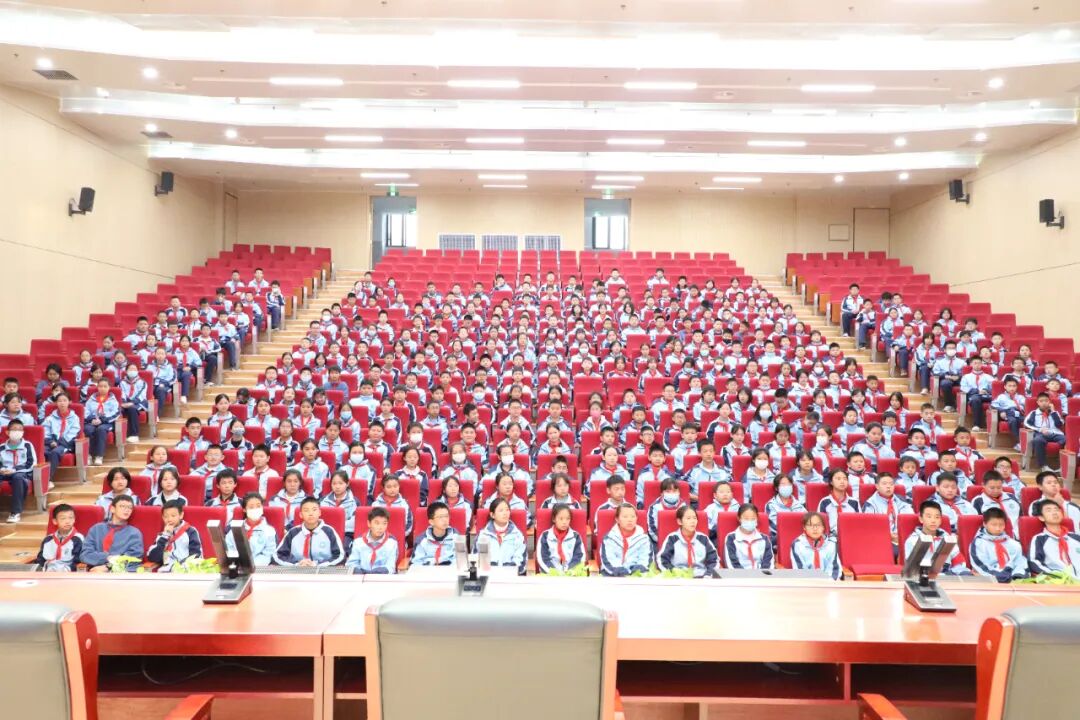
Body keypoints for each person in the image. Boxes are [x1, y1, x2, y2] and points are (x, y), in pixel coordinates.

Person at [902, 501, 970, 576]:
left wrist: (956, 573)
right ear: (921, 519)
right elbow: (913, 569)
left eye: (937, 517)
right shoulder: (912, 540)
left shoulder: (948, 538)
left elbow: (958, 562)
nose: (933, 521)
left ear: (940, 520)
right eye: (929, 517)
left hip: (949, 577)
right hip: (924, 578)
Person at [274, 497, 345, 567]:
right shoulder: (293, 532)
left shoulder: (329, 531)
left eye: (314, 510)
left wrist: (317, 565)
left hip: (323, 570)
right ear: (301, 515)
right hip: (297, 570)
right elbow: (278, 555)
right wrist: (296, 564)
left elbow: (340, 556)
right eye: (306, 510)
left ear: (319, 513)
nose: (311, 513)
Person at [80, 496, 145, 572]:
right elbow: (85, 555)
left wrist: (109, 566)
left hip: (123, 573)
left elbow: (134, 558)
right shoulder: (96, 529)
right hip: (96, 571)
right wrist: (107, 557)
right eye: (122, 506)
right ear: (112, 509)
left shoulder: (134, 533)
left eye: (130, 508)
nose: (127, 510)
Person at [657, 505, 719, 577]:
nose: (692, 521)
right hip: (678, 577)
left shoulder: (703, 539)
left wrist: (707, 576)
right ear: (680, 521)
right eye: (688, 518)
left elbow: (714, 560)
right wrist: (673, 574)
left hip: (701, 577)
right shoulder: (672, 539)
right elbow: (662, 559)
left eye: (694, 518)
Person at [967, 508, 1027, 583]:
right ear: (985, 524)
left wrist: (1017, 576)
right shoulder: (978, 543)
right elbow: (981, 566)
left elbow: (1020, 563)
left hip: (1012, 580)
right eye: (994, 525)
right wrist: (1002, 577)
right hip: (990, 580)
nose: (998, 528)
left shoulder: (1014, 544)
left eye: (1001, 525)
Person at [861, 473, 913, 549]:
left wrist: (902, 534)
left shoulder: (901, 500)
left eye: (891, 484)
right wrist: (888, 535)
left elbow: (910, 519)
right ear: (877, 486)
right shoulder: (870, 504)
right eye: (884, 484)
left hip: (903, 538)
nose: (888, 486)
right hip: (881, 539)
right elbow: (869, 527)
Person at [477, 498, 527, 575]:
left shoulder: (518, 535)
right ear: (492, 515)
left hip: (511, 576)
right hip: (488, 575)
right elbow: (476, 558)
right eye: (501, 510)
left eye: (507, 510)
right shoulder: (483, 535)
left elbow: (521, 561)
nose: (505, 513)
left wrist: (507, 571)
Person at [1029, 499, 1080, 576]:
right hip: (1060, 580)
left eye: (1056, 510)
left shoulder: (1076, 537)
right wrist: (1055, 575)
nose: (1054, 513)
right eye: (1048, 510)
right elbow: (1034, 563)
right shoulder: (1039, 539)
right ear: (1041, 517)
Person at [600, 503, 652, 576]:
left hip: (637, 576)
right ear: (617, 519)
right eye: (625, 517)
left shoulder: (644, 539)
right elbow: (608, 561)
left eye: (633, 517)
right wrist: (622, 573)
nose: (630, 520)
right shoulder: (609, 538)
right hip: (612, 575)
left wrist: (636, 572)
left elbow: (645, 560)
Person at [147, 500, 202, 570]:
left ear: (181, 515)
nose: (169, 519)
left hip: (185, 570)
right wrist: (165, 536)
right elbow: (152, 557)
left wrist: (178, 567)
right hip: (165, 571)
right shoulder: (162, 535)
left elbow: (196, 555)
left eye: (173, 516)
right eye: (166, 516)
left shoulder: (191, 531)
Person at [226, 493, 278, 566]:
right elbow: (229, 548)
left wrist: (251, 565)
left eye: (258, 506)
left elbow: (268, 554)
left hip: (260, 568)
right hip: (237, 567)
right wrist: (238, 564)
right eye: (251, 507)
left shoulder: (270, 531)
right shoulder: (235, 528)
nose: (255, 509)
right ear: (244, 509)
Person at [0, 419, 35, 523]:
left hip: (22, 472)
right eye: (14, 429)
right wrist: (2, 469)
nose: (17, 432)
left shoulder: (27, 445)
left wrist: (14, 470)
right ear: (7, 432)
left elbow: (31, 463)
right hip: (4, 472)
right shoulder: (1, 447)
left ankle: (15, 512)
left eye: (20, 430)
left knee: (18, 477)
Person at [346, 507, 400, 574]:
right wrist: (359, 572)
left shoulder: (392, 542)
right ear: (369, 523)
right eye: (377, 523)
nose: (381, 527)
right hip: (361, 576)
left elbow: (391, 567)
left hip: (383, 577)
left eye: (384, 523)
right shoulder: (358, 542)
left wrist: (375, 573)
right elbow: (351, 564)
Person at [789, 511, 842, 580]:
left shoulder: (831, 544)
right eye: (810, 525)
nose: (815, 529)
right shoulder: (798, 545)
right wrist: (814, 583)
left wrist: (827, 583)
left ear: (823, 527)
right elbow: (800, 570)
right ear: (804, 527)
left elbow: (834, 569)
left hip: (828, 583)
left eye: (818, 525)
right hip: (806, 583)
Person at [536, 504, 586, 574]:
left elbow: (579, 557)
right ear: (554, 519)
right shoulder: (545, 536)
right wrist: (555, 573)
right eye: (561, 519)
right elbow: (543, 558)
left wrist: (569, 571)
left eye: (568, 519)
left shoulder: (576, 536)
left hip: (571, 574)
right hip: (550, 574)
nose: (564, 522)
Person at [42, 392, 80, 481]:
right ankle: (36, 478)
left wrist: (58, 443)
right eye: (59, 401)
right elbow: (45, 431)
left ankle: (47, 480)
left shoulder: (74, 418)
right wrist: (51, 442)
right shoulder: (50, 418)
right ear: (56, 403)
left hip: (66, 444)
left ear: (69, 402)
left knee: (55, 452)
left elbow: (73, 433)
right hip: (51, 442)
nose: (62, 403)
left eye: (64, 400)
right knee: (42, 451)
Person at [34, 503, 84, 572]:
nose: (67, 521)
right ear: (55, 521)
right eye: (63, 518)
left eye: (70, 518)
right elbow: (40, 560)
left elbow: (78, 562)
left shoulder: (78, 539)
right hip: (47, 573)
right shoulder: (48, 539)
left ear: (74, 519)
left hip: (68, 574)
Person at [1024, 392, 1065, 472]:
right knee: (1038, 440)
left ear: (1049, 402)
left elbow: (1059, 424)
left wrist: (1053, 411)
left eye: (1046, 401)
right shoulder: (1034, 413)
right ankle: (1043, 466)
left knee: (1067, 440)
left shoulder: (1054, 413)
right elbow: (1027, 424)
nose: (1044, 403)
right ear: (1038, 402)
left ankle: (1063, 467)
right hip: (1041, 434)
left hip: (1055, 433)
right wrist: (1040, 429)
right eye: (1041, 401)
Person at [723, 503, 773, 569]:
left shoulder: (764, 539)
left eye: (753, 518)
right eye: (746, 519)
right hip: (738, 574)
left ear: (757, 518)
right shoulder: (731, 538)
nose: (749, 521)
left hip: (761, 574)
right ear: (739, 518)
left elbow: (768, 561)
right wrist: (745, 575)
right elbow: (731, 563)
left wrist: (762, 574)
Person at [411, 502, 458, 567]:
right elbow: (416, 563)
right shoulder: (422, 541)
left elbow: (460, 561)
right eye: (440, 517)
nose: (445, 520)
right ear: (431, 522)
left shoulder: (456, 537)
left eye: (446, 516)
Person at [320, 470, 359, 544]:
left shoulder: (354, 501)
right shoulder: (323, 500)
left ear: (347, 484)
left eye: (341, 483)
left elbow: (353, 522)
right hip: (325, 532)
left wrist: (337, 527)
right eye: (334, 483)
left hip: (346, 533)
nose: (337, 487)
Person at [764, 474, 806, 540]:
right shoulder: (771, 505)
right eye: (783, 484)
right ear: (776, 488)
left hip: (799, 537)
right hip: (779, 537)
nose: (786, 486)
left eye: (789, 484)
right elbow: (773, 526)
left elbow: (807, 520)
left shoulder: (798, 504)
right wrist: (791, 531)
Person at [817, 469, 860, 535]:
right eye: (838, 479)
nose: (842, 481)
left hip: (851, 535)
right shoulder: (824, 502)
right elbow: (819, 524)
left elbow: (859, 522)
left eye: (845, 479)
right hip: (830, 536)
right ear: (831, 482)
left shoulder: (854, 502)